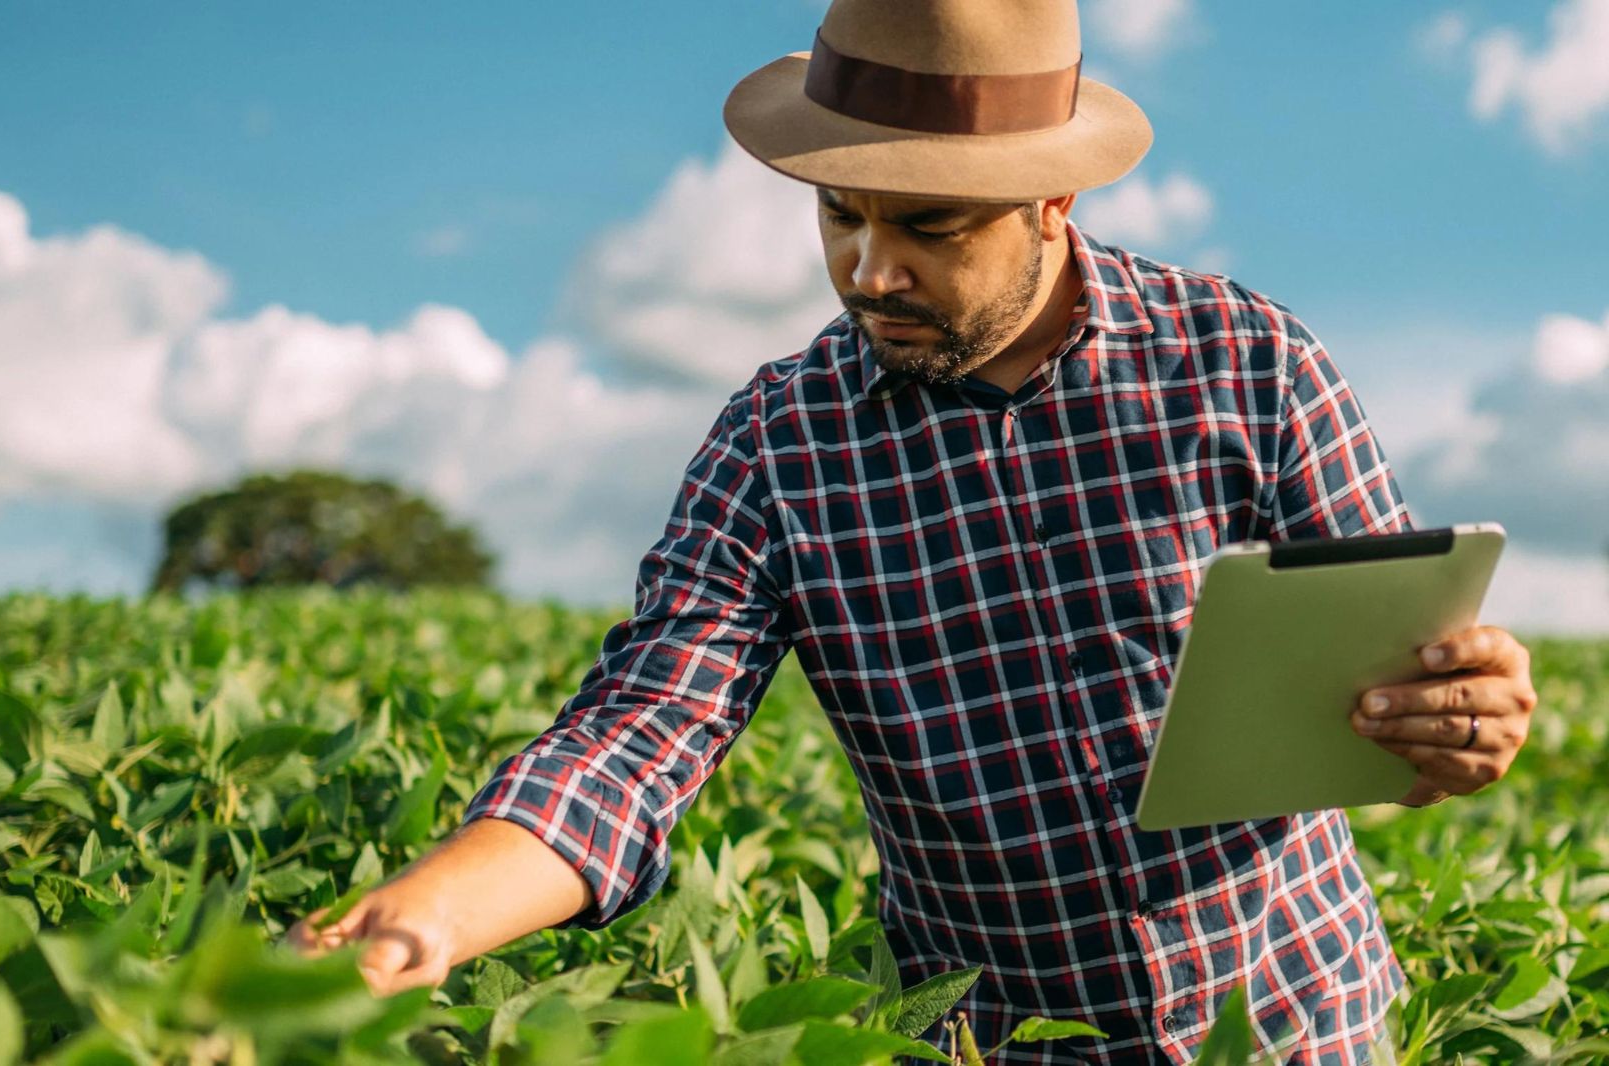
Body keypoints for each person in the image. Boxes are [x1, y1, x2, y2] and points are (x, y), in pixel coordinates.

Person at [288, 1, 1542, 1061]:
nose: (868, 271)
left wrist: (1460, 723)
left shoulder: (1248, 363)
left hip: (1291, 1021)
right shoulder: (778, 445)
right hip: (987, 1033)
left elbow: (1406, 698)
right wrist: (429, 916)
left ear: (1051, 199)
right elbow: (636, 736)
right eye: (841, 215)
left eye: (928, 229)